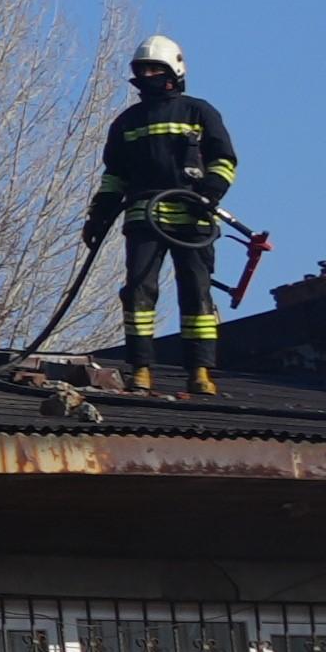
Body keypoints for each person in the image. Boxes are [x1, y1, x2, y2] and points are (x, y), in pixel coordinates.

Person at [93, 39, 244, 392]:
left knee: (196, 292)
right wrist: (98, 214)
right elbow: (114, 175)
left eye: (155, 69)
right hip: (144, 217)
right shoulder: (127, 121)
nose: (148, 75)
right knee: (138, 292)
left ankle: (200, 372)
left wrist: (210, 191)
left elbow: (224, 159)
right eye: (142, 70)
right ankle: (140, 369)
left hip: (193, 218)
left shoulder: (199, 112)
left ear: (174, 72)